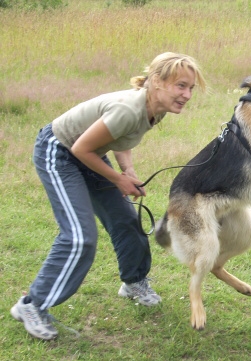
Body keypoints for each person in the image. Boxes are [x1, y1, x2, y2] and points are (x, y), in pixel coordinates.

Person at [10, 52, 206, 341]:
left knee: (127, 219)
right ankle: (32, 305)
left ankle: (133, 282)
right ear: (156, 82)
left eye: (190, 88)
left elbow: (120, 138)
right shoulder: (128, 108)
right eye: (181, 86)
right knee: (78, 237)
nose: (187, 94)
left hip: (89, 154)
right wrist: (117, 179)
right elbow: (80, 149)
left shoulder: (155, 107)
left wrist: (127, 170)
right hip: (60, 153)